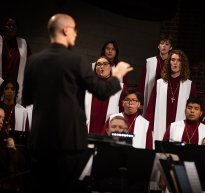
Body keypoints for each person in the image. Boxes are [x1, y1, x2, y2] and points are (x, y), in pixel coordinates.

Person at [21, 13, 132, 193]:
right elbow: (102, 92)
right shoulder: (77, 61)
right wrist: (117, 74)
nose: (76, 33)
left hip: (39, 140)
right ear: (65, 31)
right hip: (68, 142)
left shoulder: (34, 61)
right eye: (74, 30)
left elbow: (27, 99)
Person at [144, 49, 197, 142]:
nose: (175, 63)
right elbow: (151, 108)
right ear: (169, 62)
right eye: (173, 60)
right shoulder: (160, 83)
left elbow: (193, 112)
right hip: (159, 126)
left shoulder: (189, 85)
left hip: (180, 128)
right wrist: (149, 128)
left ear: (183, 63)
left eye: (179, 60)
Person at [85, 56, 123, 134]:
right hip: (88, 127)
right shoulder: (87, 86)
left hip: (109, 128)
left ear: (111, 67)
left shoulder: (120, 87)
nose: (102, 66)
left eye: (105, 64)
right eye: (98, 64)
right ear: (95, 68)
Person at [137, 34, 174, 115]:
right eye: (162, 43)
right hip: (151, 95)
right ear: (158, 46)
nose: (164, 46)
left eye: (167, 44)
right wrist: (140, 100)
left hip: (166, 96)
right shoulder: (150, 62)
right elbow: (142, 82)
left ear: (170, 47)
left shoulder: (173, 63)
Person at [0, 17, 32, 104]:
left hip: (18, 87)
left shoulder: (23, 43)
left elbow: (29, 64)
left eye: (14, 26)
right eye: (8, 25)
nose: (11, 28)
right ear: (3, 27)